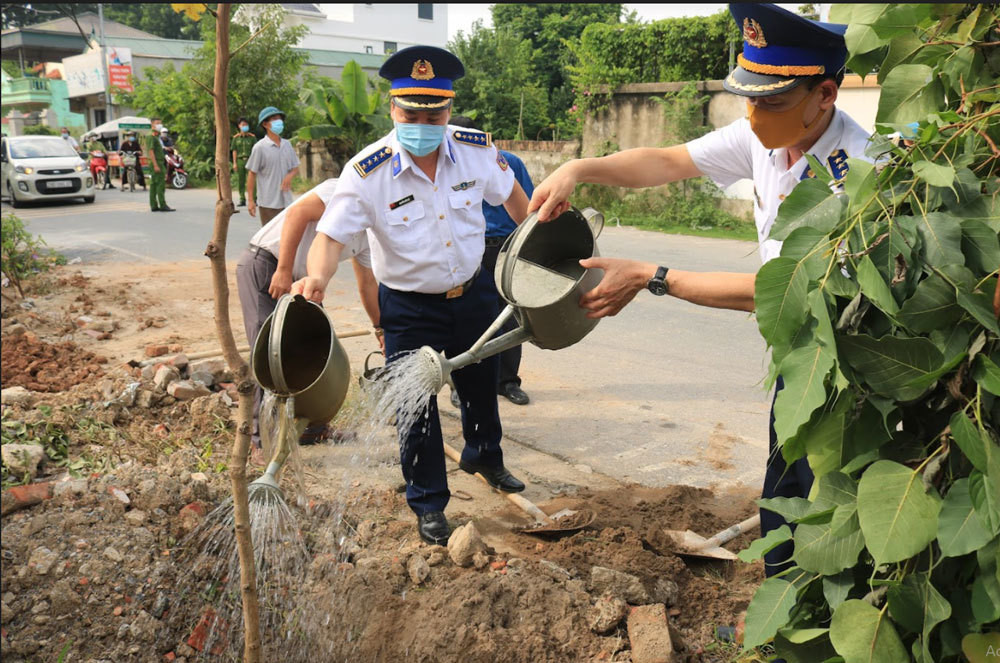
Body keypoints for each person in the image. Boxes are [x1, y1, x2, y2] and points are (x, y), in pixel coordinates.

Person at [528, 3, 873, 579]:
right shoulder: (766, 134)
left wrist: (652, 275)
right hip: (797, 356)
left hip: (848, 365)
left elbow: (782, 292)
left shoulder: (863, 175)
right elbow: (666, 161)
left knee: (829, 508)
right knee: (783, 492)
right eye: (749, 98)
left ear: (826, 94)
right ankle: (782, 619)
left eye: (773, 101)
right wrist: (580, 168)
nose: (756, 113)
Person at [291, 45, 531, 545]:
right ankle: (428, 502)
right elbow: (330, 238)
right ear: (393, 109)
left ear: (449, 109)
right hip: (408, 307)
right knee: (416, 410)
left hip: (474, 293)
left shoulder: (475, 149)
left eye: (434, 112)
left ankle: (485, 455)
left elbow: (510, 195)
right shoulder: (367, 172)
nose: (423, 121)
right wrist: (316, 278)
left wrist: (534, 239)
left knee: (481, 384)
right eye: (411, 112)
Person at [236, 178, 381, 454]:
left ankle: (312, 429)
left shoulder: (369, 231)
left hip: (306, 281)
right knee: (266, 352)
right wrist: (283, 269)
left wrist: (380, 328)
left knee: (317, 348)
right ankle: (258, 441)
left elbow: (367, 283)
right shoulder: (342, 190)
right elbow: (297, 213)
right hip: (267, 263)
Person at [448, 115, 534, 407]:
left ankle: (508, 381)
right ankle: (459, 382)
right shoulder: (447, 167)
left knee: (510, 315)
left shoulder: (508, 163)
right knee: (465, 319)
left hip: (507, 249)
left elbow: (528, 208)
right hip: (468, 252)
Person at [246, 107, 300, 226]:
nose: (279, 121)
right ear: (265, 124)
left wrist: (289, 176)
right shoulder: (260, 147)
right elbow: (252, 174)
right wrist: (250, 200)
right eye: (274, 119)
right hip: (268, 203)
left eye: (280, 118)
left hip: (287, 201)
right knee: (269, 241)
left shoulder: (287, 145)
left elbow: (296, 168)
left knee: (286, 239)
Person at [146, 118, 174, 212]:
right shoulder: (151, 136)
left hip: (158, 162)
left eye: (160, 123)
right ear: (152, 125)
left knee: (154, 184)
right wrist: (155, 165)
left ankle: (154, 205)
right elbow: (151, 151)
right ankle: (162, 205)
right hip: (156, 162)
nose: (160, 125)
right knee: (160, 184)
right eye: (157, 123)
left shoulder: (156, 135)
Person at [231, 117, 255, 207]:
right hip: (240, 160)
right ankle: (242, 199)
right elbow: (234, 150)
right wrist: (234, 163)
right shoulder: (236, 138)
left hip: (250, 160)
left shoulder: (252, 138)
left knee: (252, 180)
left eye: (246, 124)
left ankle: (253, 199)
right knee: (241, 181)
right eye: (243, 125)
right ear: (239, 126)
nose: (245, 126)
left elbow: (255, 150)